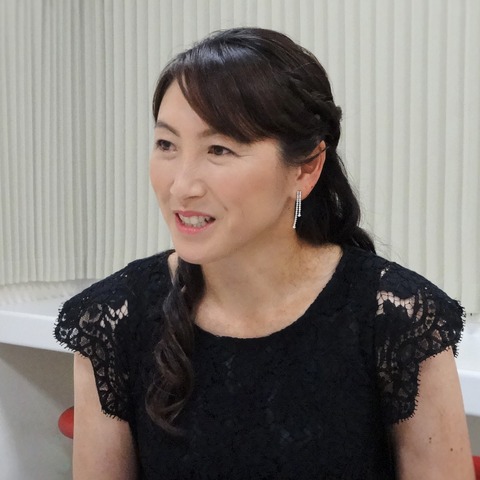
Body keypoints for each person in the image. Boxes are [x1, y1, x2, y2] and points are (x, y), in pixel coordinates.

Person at [54, 27, 474, 479]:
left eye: (219, 149)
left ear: (306, 168)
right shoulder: (113, 319)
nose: (181, 186)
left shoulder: (398, 320)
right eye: (166, 145)